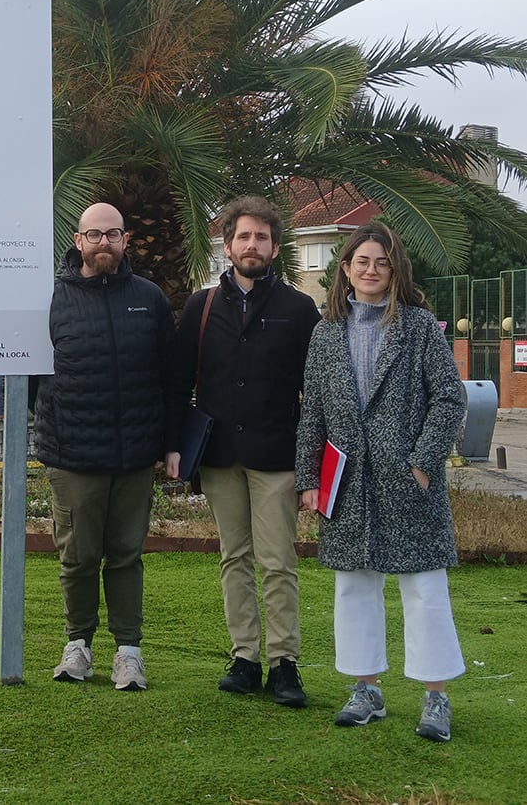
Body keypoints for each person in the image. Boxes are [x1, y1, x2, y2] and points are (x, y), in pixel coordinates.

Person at [295, 222, 467, 742]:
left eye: (381, 263)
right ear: (344, 270)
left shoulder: (418, 328)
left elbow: (450, 399)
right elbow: (314, 414)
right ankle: (365, 690)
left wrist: (422, 463)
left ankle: (436, 697)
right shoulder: (325, 334)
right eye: (361, 262)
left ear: (395, 272)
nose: (371, 270)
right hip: (346, 483)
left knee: (424, 590)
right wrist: (308, 478)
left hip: (408, 481)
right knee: (353, 589)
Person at [169, 196, 321, 706]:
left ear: (275, 247)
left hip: (276, 455)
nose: (251, 244)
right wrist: (172, 446)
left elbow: (316, 394)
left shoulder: (299, 310)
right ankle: (245, 658)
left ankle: (284, 664)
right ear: (228, 245)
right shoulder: (201, 305)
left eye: (261, 237)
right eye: (243, 236)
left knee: (278, 562)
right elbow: (178, 381)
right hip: (219, 456)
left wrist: (311, 468)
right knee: (234, 557)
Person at [33, 202, 176, 691]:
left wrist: (166, 441)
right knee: (76, 557)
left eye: (112, 234)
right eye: (93, 235)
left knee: (125, 556)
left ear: (126, 240)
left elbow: (168, 376)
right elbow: (35, 379)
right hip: (73, 458)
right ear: (78, 241)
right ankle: (78, 646)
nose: (103, 243)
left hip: (134, 455)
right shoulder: (50, 300)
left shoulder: (149, 298)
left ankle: (128, 653)